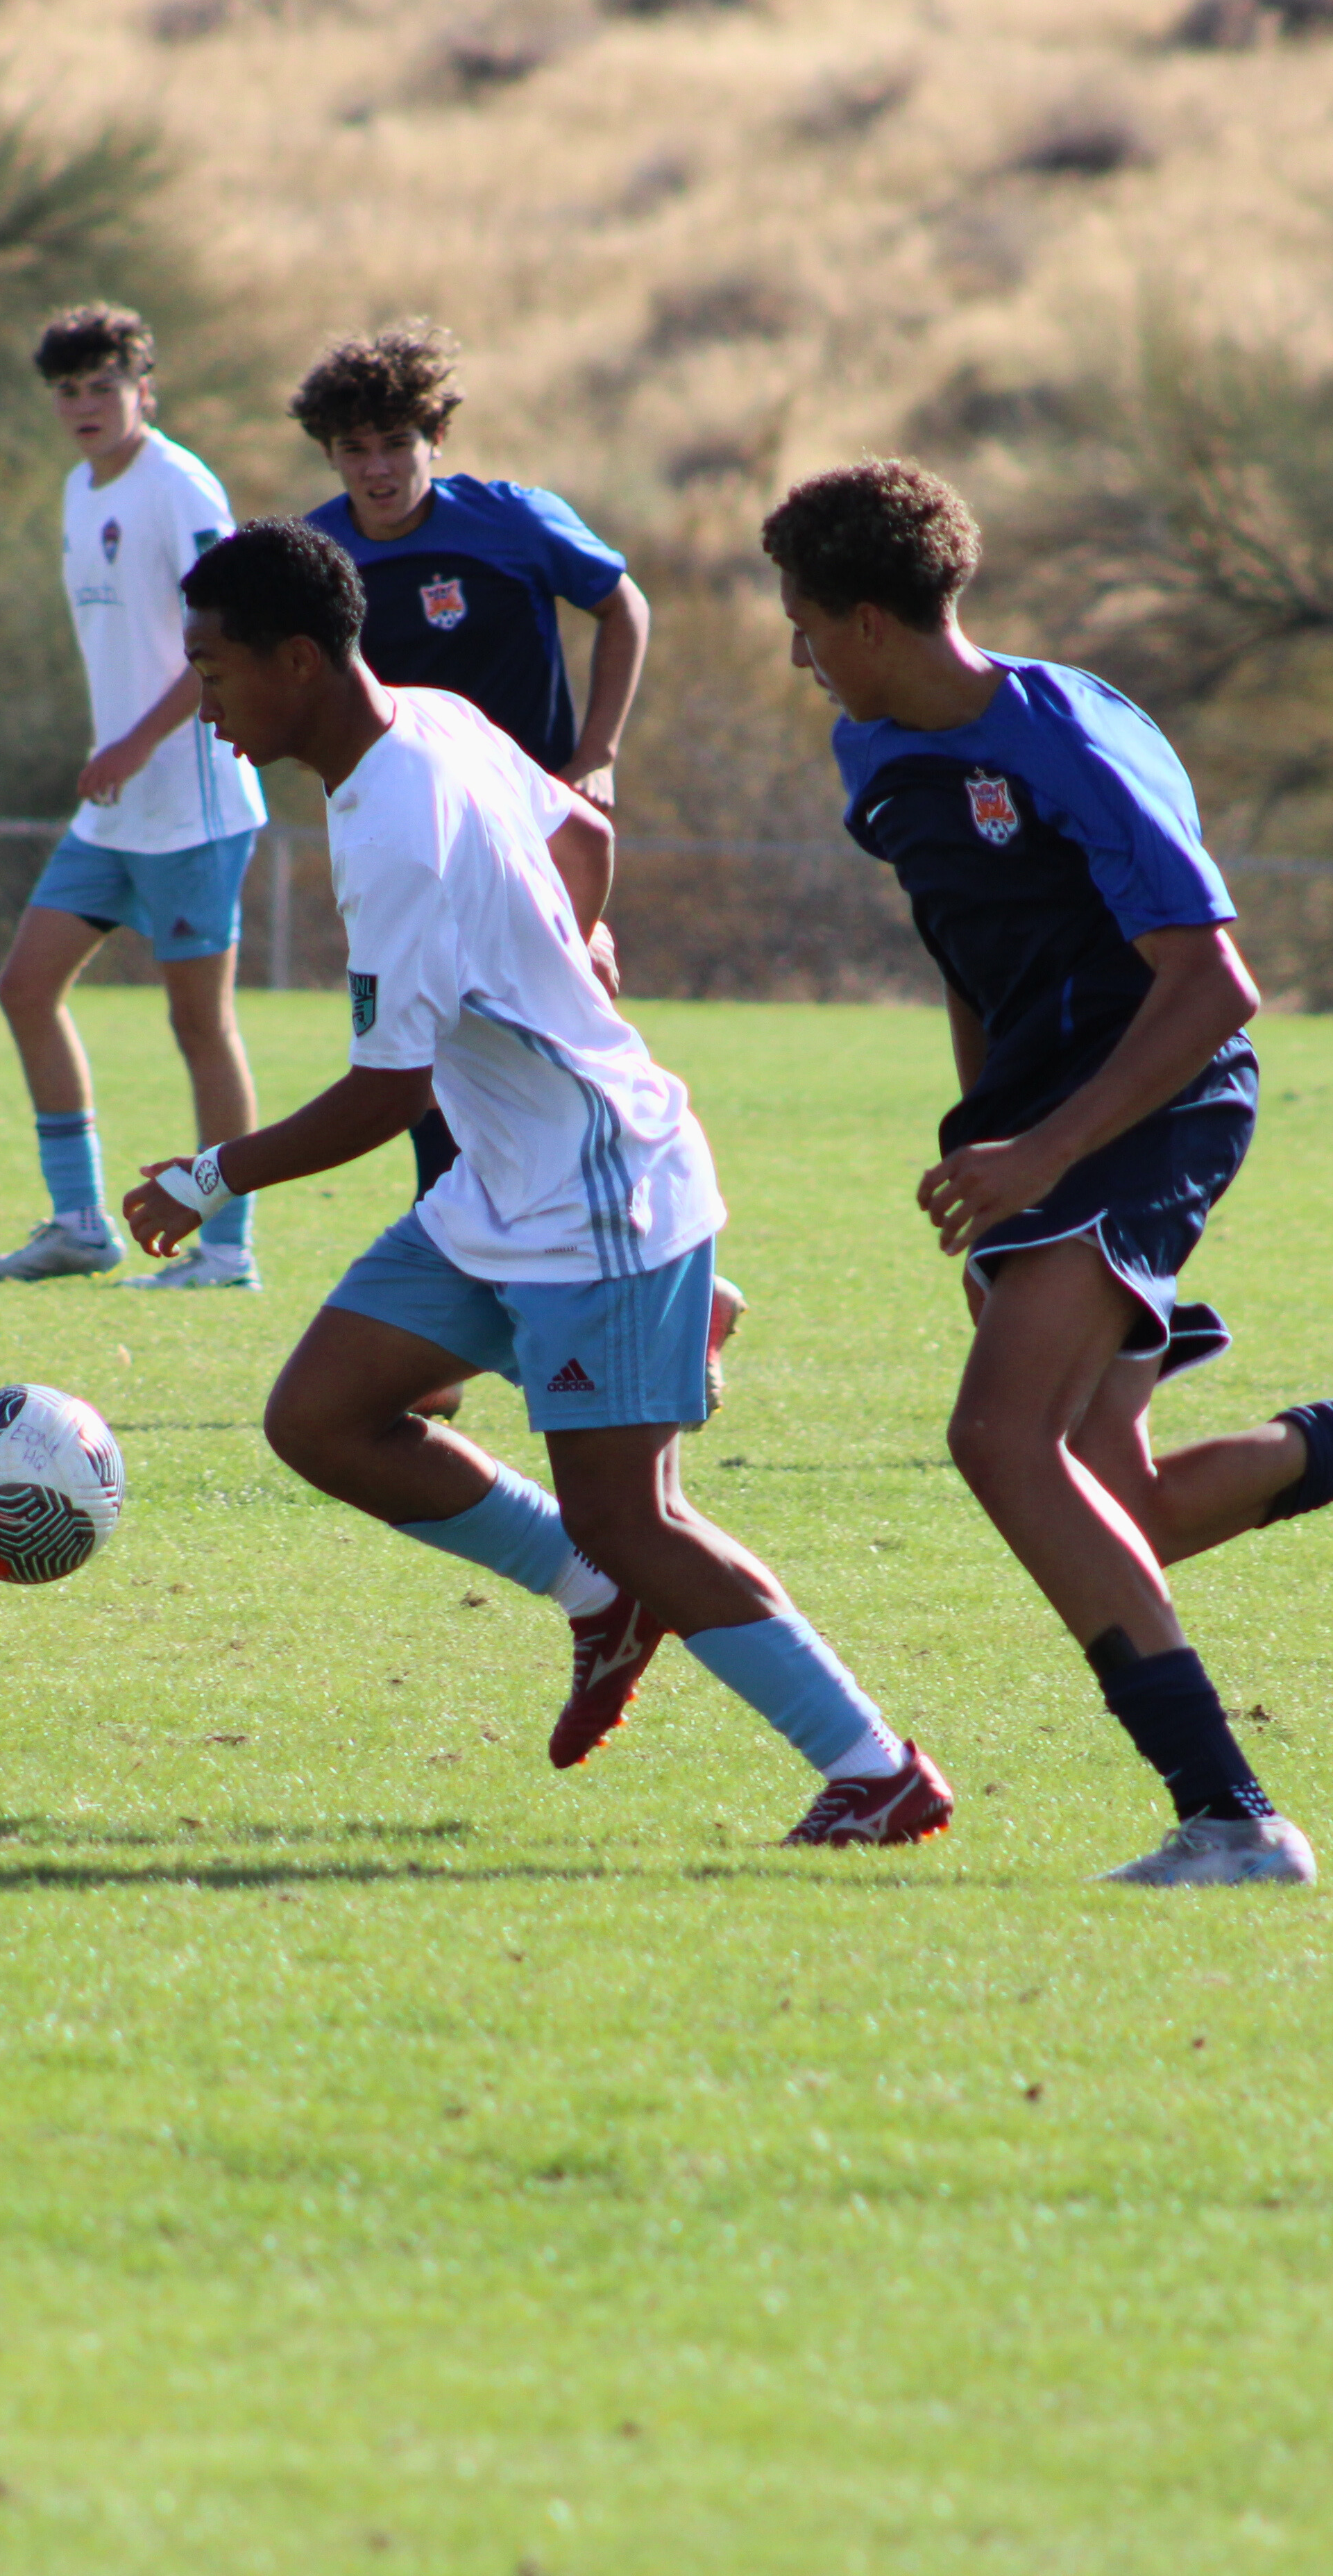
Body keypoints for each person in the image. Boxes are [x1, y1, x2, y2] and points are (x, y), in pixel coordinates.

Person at [761, 460, 1333, 1891]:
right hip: (1037, 1128)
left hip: (1158, 1093)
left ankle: (1233, 1814)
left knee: (997, 1440)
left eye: (808, 625)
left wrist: (1043, 1154)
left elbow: (1215, 985)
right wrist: (984, 1141)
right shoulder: (874, 756)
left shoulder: (1071, 736)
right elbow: (970, 948)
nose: (799, 654)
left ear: (875, 623)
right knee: (1110, 1506)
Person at [124, 520, 951, 1848]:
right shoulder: (435, 720)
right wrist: (579, 933)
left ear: (297, 660)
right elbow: (582, 826)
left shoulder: (397, 824)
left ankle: (873, 1765)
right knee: (322, 1421)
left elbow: (388, 1094)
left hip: (599, 1200)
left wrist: (210, 1179)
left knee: (639, 1518)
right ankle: (594, 1595)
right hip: (498, 1195)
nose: (203, 699)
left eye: (214, 670)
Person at [287, 319, 746, 1397]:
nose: (378, 467)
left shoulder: (509, 521)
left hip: (535, 849)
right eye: (355, 449)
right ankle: (465, 1330)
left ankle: (667, 1291)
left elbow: (622, 603)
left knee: (566, 1066)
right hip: (419, 850)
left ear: (435, 435)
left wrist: (598, 755)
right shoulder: (319, 557)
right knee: (439, 1071)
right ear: (331, 456)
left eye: (396, 441)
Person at [0, 303, 267, 1290]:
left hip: (193, 808)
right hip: (116, 812)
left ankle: (225, 1250)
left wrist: (136, 743)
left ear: (146, 387)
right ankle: (79, 1224)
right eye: (69, 390)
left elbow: (230, 641)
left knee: (199, 1027)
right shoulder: (75, 490)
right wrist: (117, 755)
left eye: (106, 385)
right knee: (25, 986)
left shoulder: (179, 488)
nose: (87, 405)